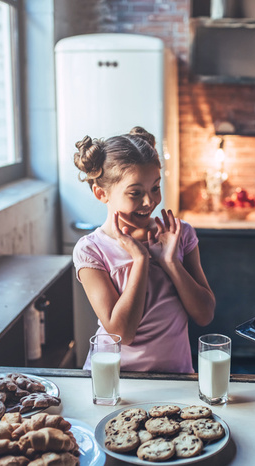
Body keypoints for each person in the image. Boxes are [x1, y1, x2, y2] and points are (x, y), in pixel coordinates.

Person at [72, 126, 215, 373]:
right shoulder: (91, 250)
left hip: (176, 379)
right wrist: (141, 259)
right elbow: (122, 334)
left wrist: (171, 263)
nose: (149, 202)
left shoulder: (180, 235)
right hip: (115, 380)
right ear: (101, 193)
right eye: (135, 193)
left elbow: (205, 315)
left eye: (155, 188)